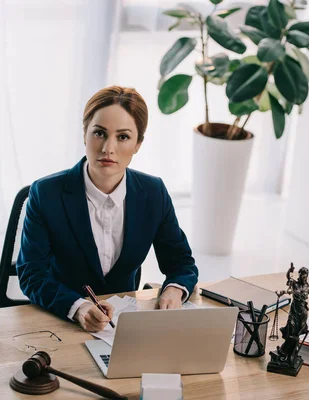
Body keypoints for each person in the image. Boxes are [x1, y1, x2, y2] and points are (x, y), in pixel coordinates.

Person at [17, 86, 199, 333]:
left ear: (138, 144)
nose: (108, 148)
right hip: (60, 323)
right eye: (99, 133)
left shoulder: (153, 192)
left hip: (123, 328)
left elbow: (181, 263)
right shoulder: (46, 193)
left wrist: (174, 290)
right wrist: (78, 307)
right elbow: (32, 274)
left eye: (123, 137)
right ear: (85, 135)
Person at [274, 263, 309, 365]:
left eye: (305, 276)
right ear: (299, 275)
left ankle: (290, 353)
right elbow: (288, 276)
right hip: (294, 311)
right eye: (302, 275)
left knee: (297, 334)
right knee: (291, 330)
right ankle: (285, 351)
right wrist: (290, 269)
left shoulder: (308, 288)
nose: (303, 277)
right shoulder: (294, 284)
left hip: (303, 313)